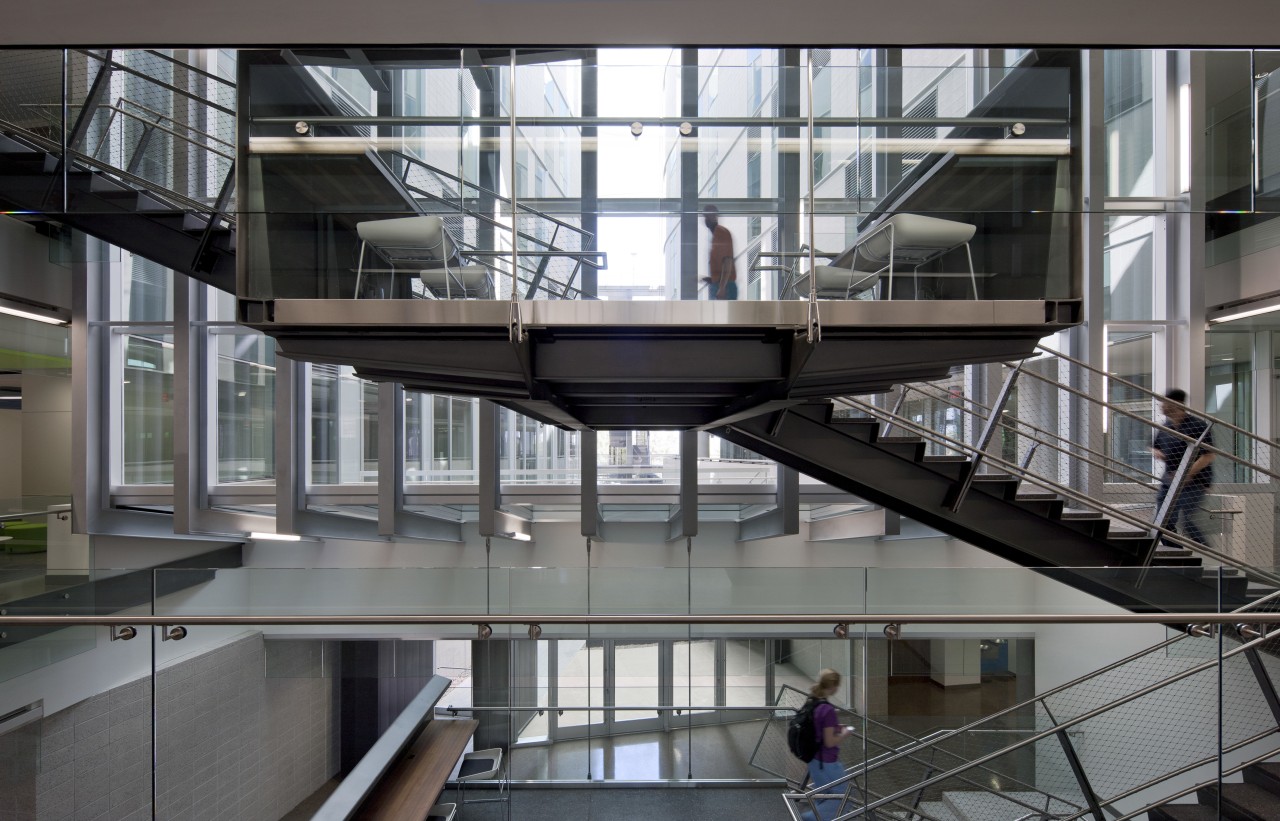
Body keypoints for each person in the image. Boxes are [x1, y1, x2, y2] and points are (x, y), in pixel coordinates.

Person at [1151, 388, 1215, 545]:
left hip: (1193, 482)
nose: (1161, 406)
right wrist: (1157, 452)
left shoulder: (1197, 426)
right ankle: (1175, 556)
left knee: (1187, 521)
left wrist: (1187, 473)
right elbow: (1153, 445)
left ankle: (1207, 551)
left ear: (1176, 404)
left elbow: (1209, 455)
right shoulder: (1165, 426)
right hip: (1169, 481)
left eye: (1164, 402)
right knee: (1163, 522)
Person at [800, 668, 856, 821]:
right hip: (827, 761)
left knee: (824, 794)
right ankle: (810, 817)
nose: (837, 689)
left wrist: (835, 726)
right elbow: (829, 742)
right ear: (832, 686)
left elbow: (819, 728)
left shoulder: (813, 701)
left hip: (813, 759)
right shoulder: (828, 709)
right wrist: (845, 733)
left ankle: (818, 816)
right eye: (837, 685)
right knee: (845, 795)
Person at [703, 205, 737, 300]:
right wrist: (712, 279)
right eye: (705, 216)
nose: (706, 219)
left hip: (724, 288)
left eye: (708, 215)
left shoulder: (721, 233)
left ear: (715, 216)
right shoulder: (715, 236)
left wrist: (722, 288)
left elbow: (727, 261)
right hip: (719, 285)